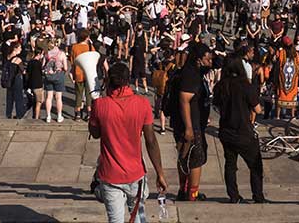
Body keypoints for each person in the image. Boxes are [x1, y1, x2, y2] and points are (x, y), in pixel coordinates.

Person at [88, 61, 168, 223]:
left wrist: (93, 112)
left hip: (110, 175)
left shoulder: (100, 105)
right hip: (136, 174)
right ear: (128, 80)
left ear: (109, 81)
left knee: (115, 220)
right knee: (138, 217)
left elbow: (95, 134)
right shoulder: (143, 103)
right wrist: (160, 173)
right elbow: (151, 141)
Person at [213, 51, 266, 204]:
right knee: (255, 166)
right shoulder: (245, 86)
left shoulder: (221, 85)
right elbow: (258, 110)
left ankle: (233, 195)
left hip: (226, 130)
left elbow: (216, 104)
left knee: (230, 164)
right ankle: (258, 195)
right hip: (243, 130)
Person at [172, 41, 213, 202]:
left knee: (185, 156)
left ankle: (185, 190)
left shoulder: (191, 72)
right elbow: (184, 99)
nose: (209, 62)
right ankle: (192, 194)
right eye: (207, 59)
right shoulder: (191, 75)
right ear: (198, 59)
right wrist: (189, 127)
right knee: (195, 158)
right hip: (190, 125)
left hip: (189, 123)